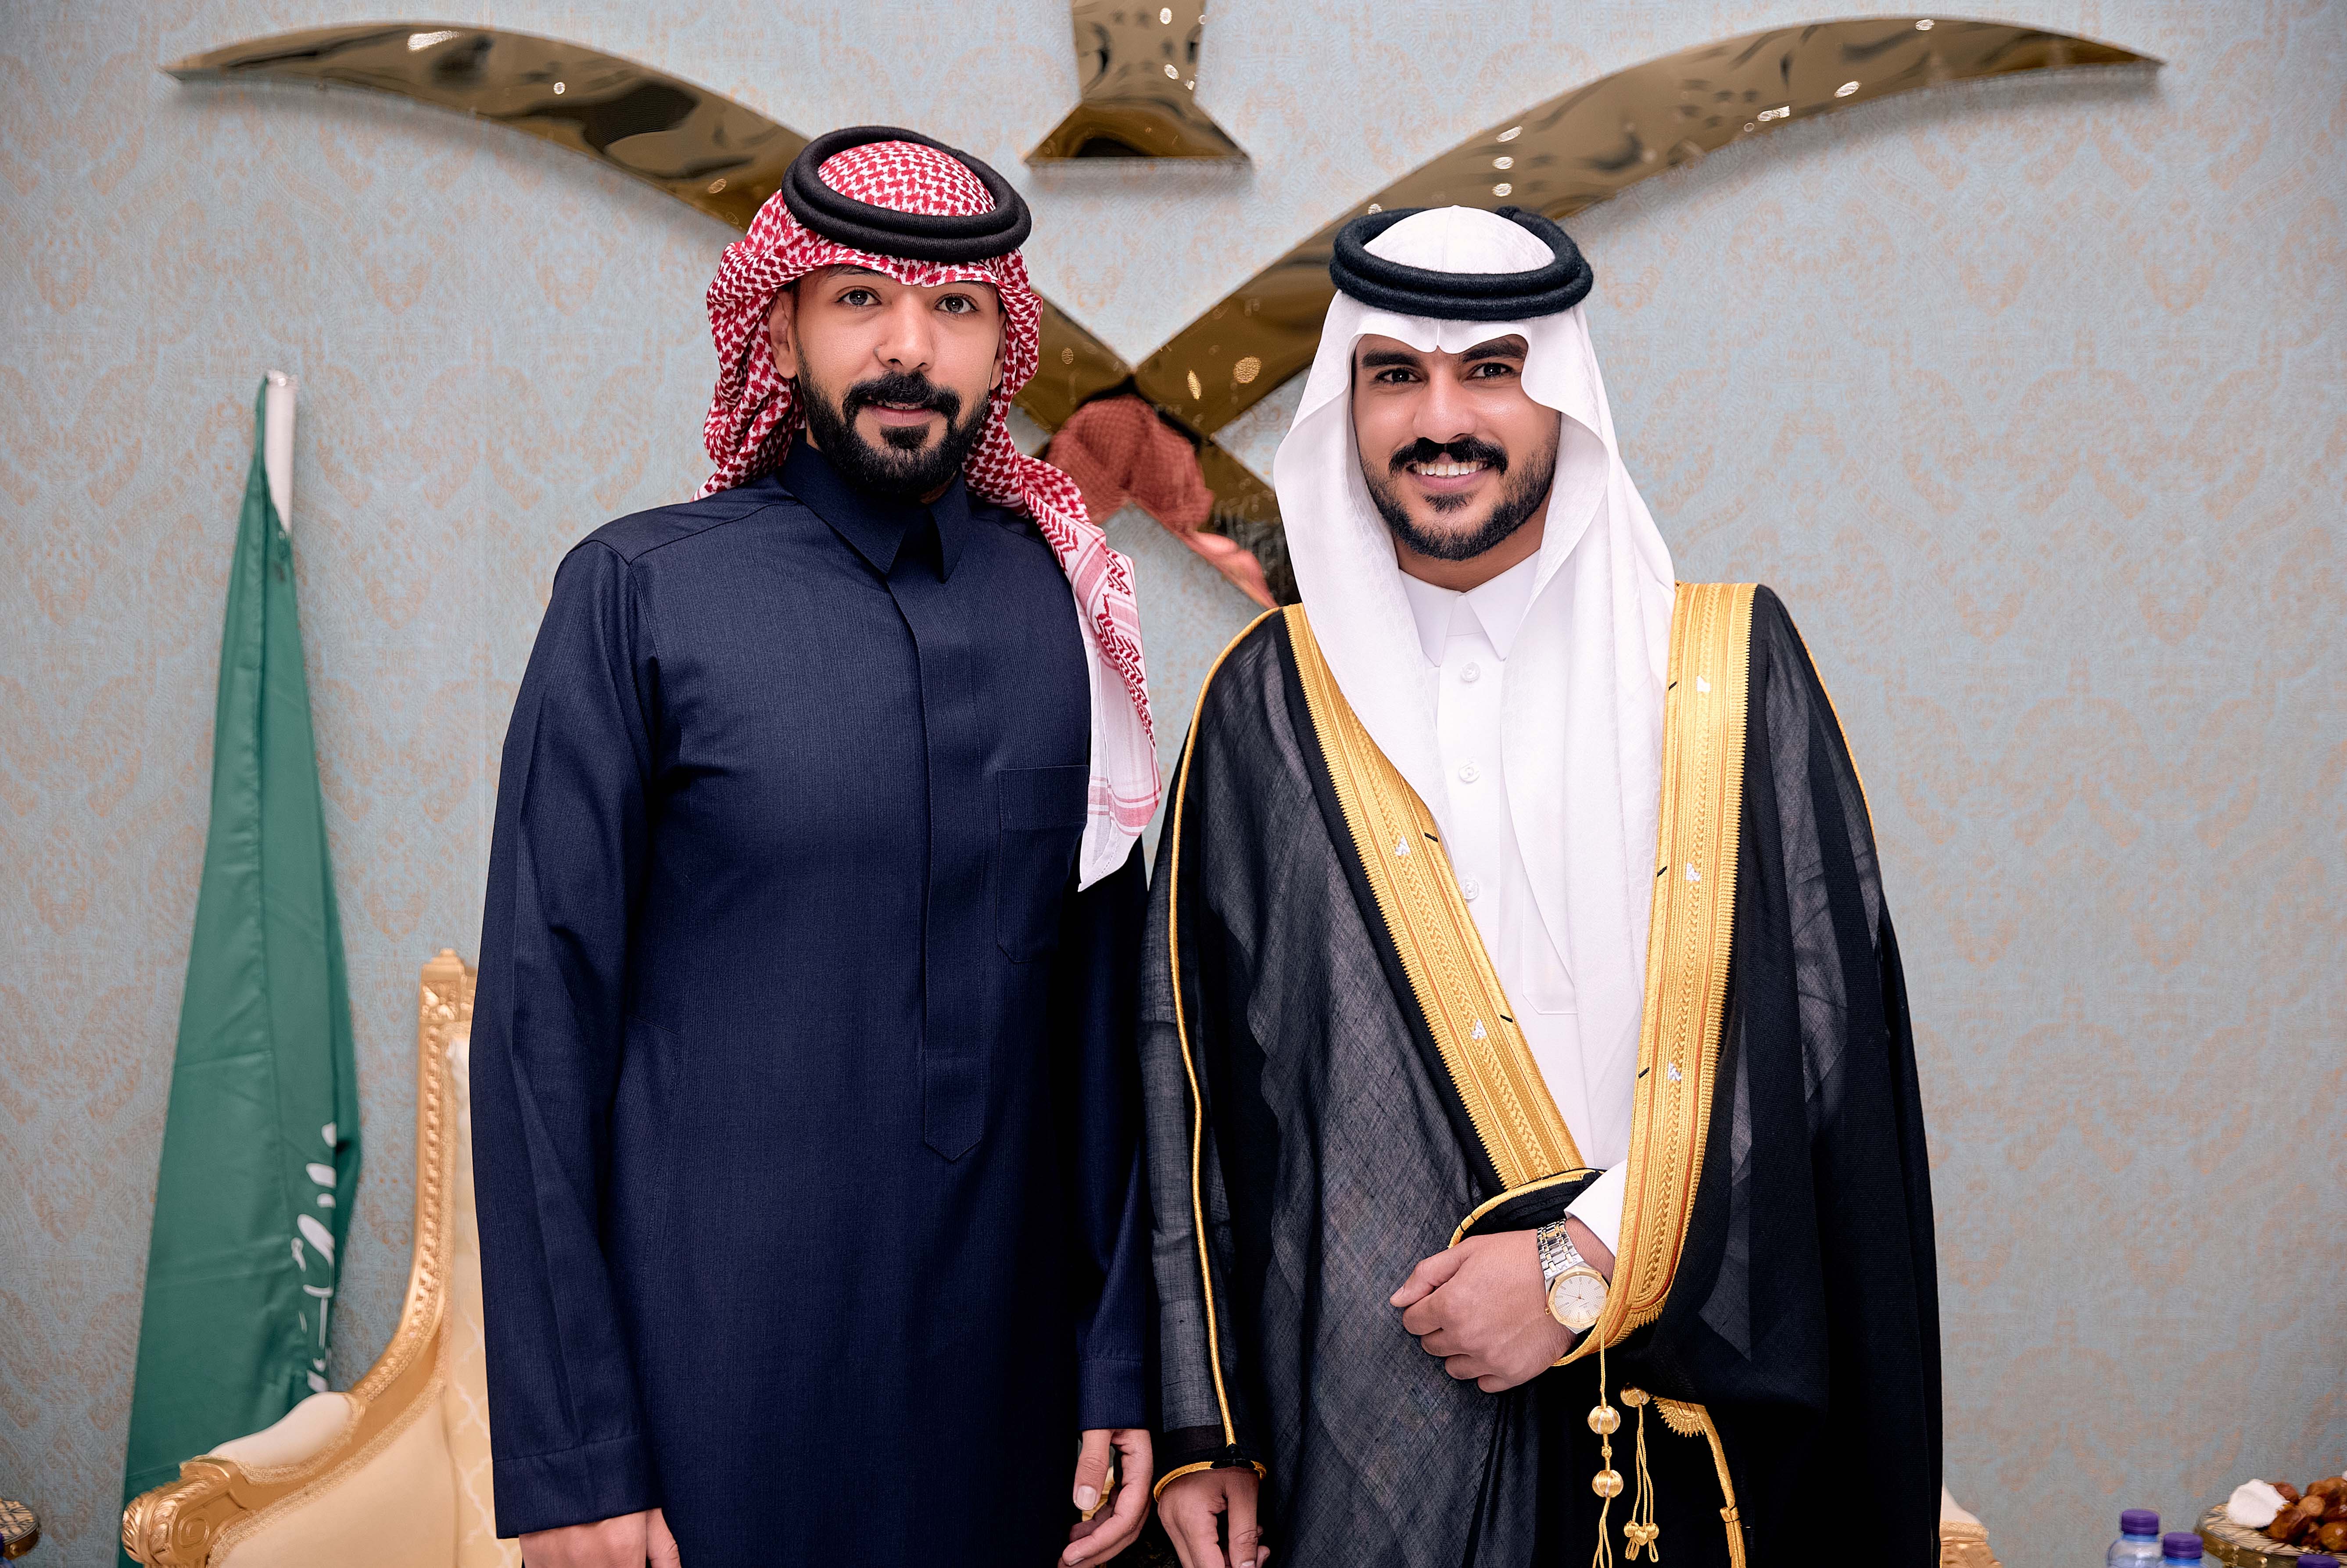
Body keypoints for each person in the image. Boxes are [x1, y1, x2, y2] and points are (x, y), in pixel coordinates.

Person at [1142, 205, 1941, 1568]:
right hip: (1363, 1433)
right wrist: (1204, 1425)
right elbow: (1190, 1077)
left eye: (1491, 372)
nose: (1439, 419)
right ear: (1346, 405)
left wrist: (1580, 1268)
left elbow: (1814, 1040)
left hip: (1684, 1422)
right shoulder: (1266, 702)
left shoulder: (1721, 670)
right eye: (1393, 376)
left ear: (1562, 394)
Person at [470, 126, 1160, 1568]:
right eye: (858, 301)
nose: (908, 347)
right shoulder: (637, 595)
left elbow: (1110, 1034)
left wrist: (1118, 1370)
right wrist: (574, 1460)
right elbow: (540, 1041)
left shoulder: (1066, 610)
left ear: (1003, 347)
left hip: (1012, 1417)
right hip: (715, 1398)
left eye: (953, 307)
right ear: (778, 333)